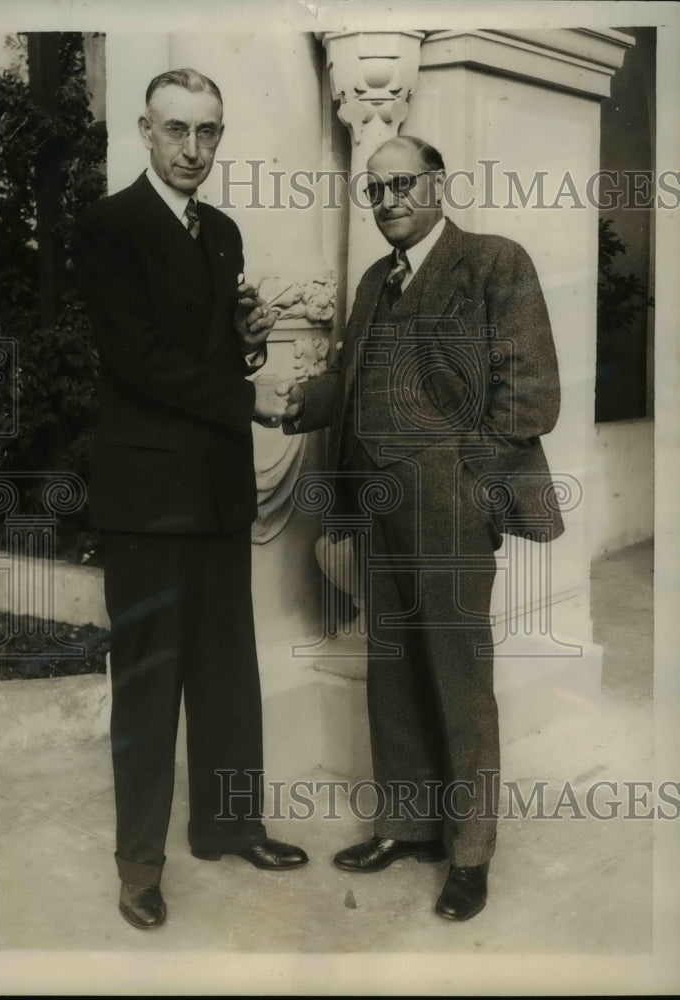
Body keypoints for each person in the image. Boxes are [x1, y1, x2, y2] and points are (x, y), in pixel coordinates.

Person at [276, 135, 563, 921]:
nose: (388, 200)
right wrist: (312, 397)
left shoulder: (492, 262)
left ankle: (468, 854)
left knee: (458, 676)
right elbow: (354, 371)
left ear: (437, 184)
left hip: (448, 504)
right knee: (394, 663)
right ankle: (407, 826)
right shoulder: (375, 279)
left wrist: (466, 477)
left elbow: (531, 392)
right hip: (376, 501)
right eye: (375, 190)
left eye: (402, 184)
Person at [72, 67, 306, 931]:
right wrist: (249, 393)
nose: (193, 150)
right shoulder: (108, 227)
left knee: (225, 672)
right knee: (146, 684)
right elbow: (138, 362)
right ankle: (138, 867)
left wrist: (244, 349)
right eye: (178, 130)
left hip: (214, 486)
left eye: (209, 132)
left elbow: (204, 361)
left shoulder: (222, 231)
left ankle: (229, 824)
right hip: (145, 496)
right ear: (145, 130)